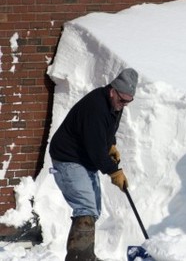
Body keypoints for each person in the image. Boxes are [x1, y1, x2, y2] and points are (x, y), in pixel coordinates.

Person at [49, 68, 138, 261]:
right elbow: (96, 150)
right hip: (68, 158)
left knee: (93, 209)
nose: (123, 106)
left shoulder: (114, 104)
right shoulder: (96, 107)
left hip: (83, 159)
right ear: (113, 90)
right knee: (86, 207)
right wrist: (114, 172)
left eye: (128, 102)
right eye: (122, 100)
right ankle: (79, 258)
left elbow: (106, 130)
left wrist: (111, 145)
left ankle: (85, 255)